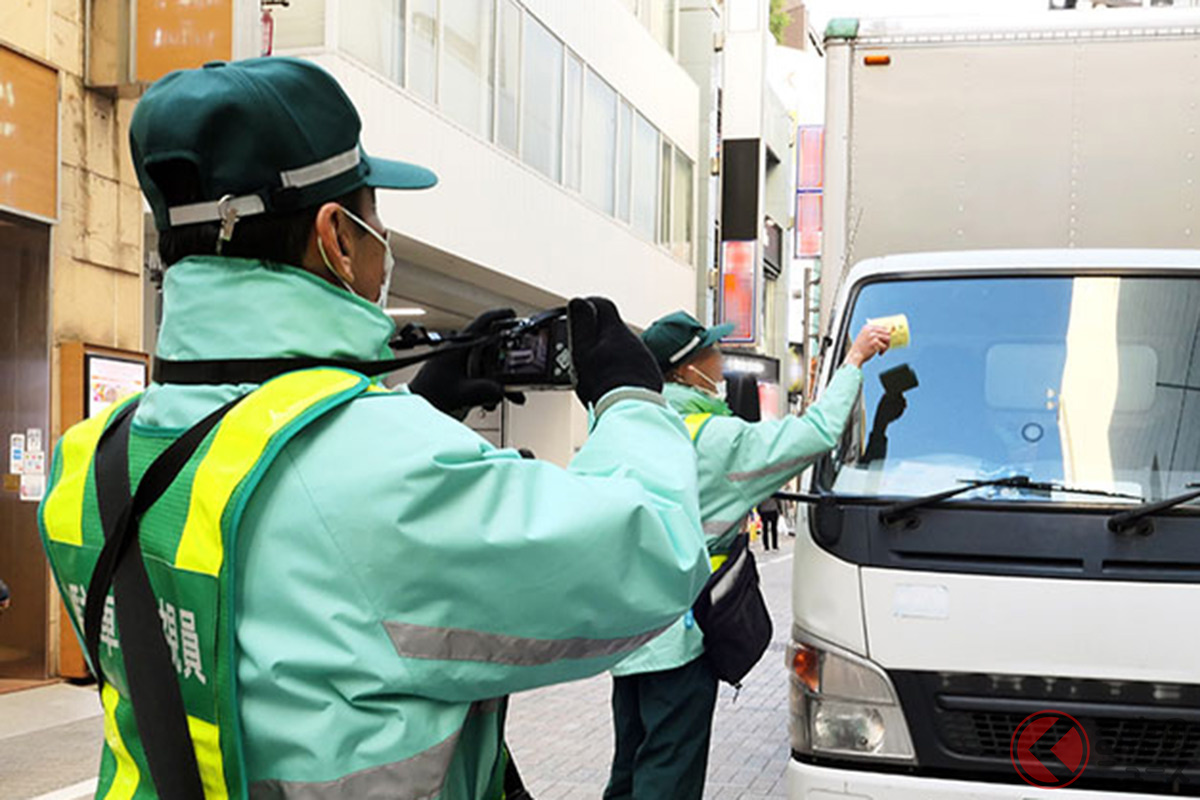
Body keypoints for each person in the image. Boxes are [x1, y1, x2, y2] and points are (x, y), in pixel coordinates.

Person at [39, 58, 710, 800]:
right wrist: (630, 400)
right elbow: (656, 560)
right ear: (337, 237)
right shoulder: (382, 469)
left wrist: (415, 412)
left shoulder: (88, 462)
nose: (383, 241)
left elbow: (298, 613)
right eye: (376, 217)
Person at [603, 310, 890, 800]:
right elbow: (814, 434)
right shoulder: (715, 440)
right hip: (681, 636)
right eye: (711, 352)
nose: (719, 361)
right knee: (668, 773)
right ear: (685, 368)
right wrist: (854, 360)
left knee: (630, 763)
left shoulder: (625, 428)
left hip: (628, 635)